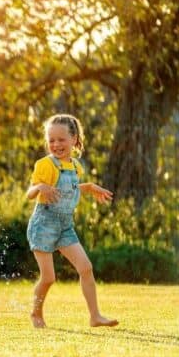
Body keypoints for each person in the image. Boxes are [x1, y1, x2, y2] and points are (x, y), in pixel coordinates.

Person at [26, 113, 118, 329]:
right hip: (44, 224)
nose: (56, 144)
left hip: (65, 226)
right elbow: (30, 193)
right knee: (48, 278)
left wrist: (90, 187)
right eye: (51, 140)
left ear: (74, 140)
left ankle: (95, 316)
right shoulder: (45, 165)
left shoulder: (76, 166)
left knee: (86, 267)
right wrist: (40, 187)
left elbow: (72, 188)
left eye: (61, 139)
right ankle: (36, 314)